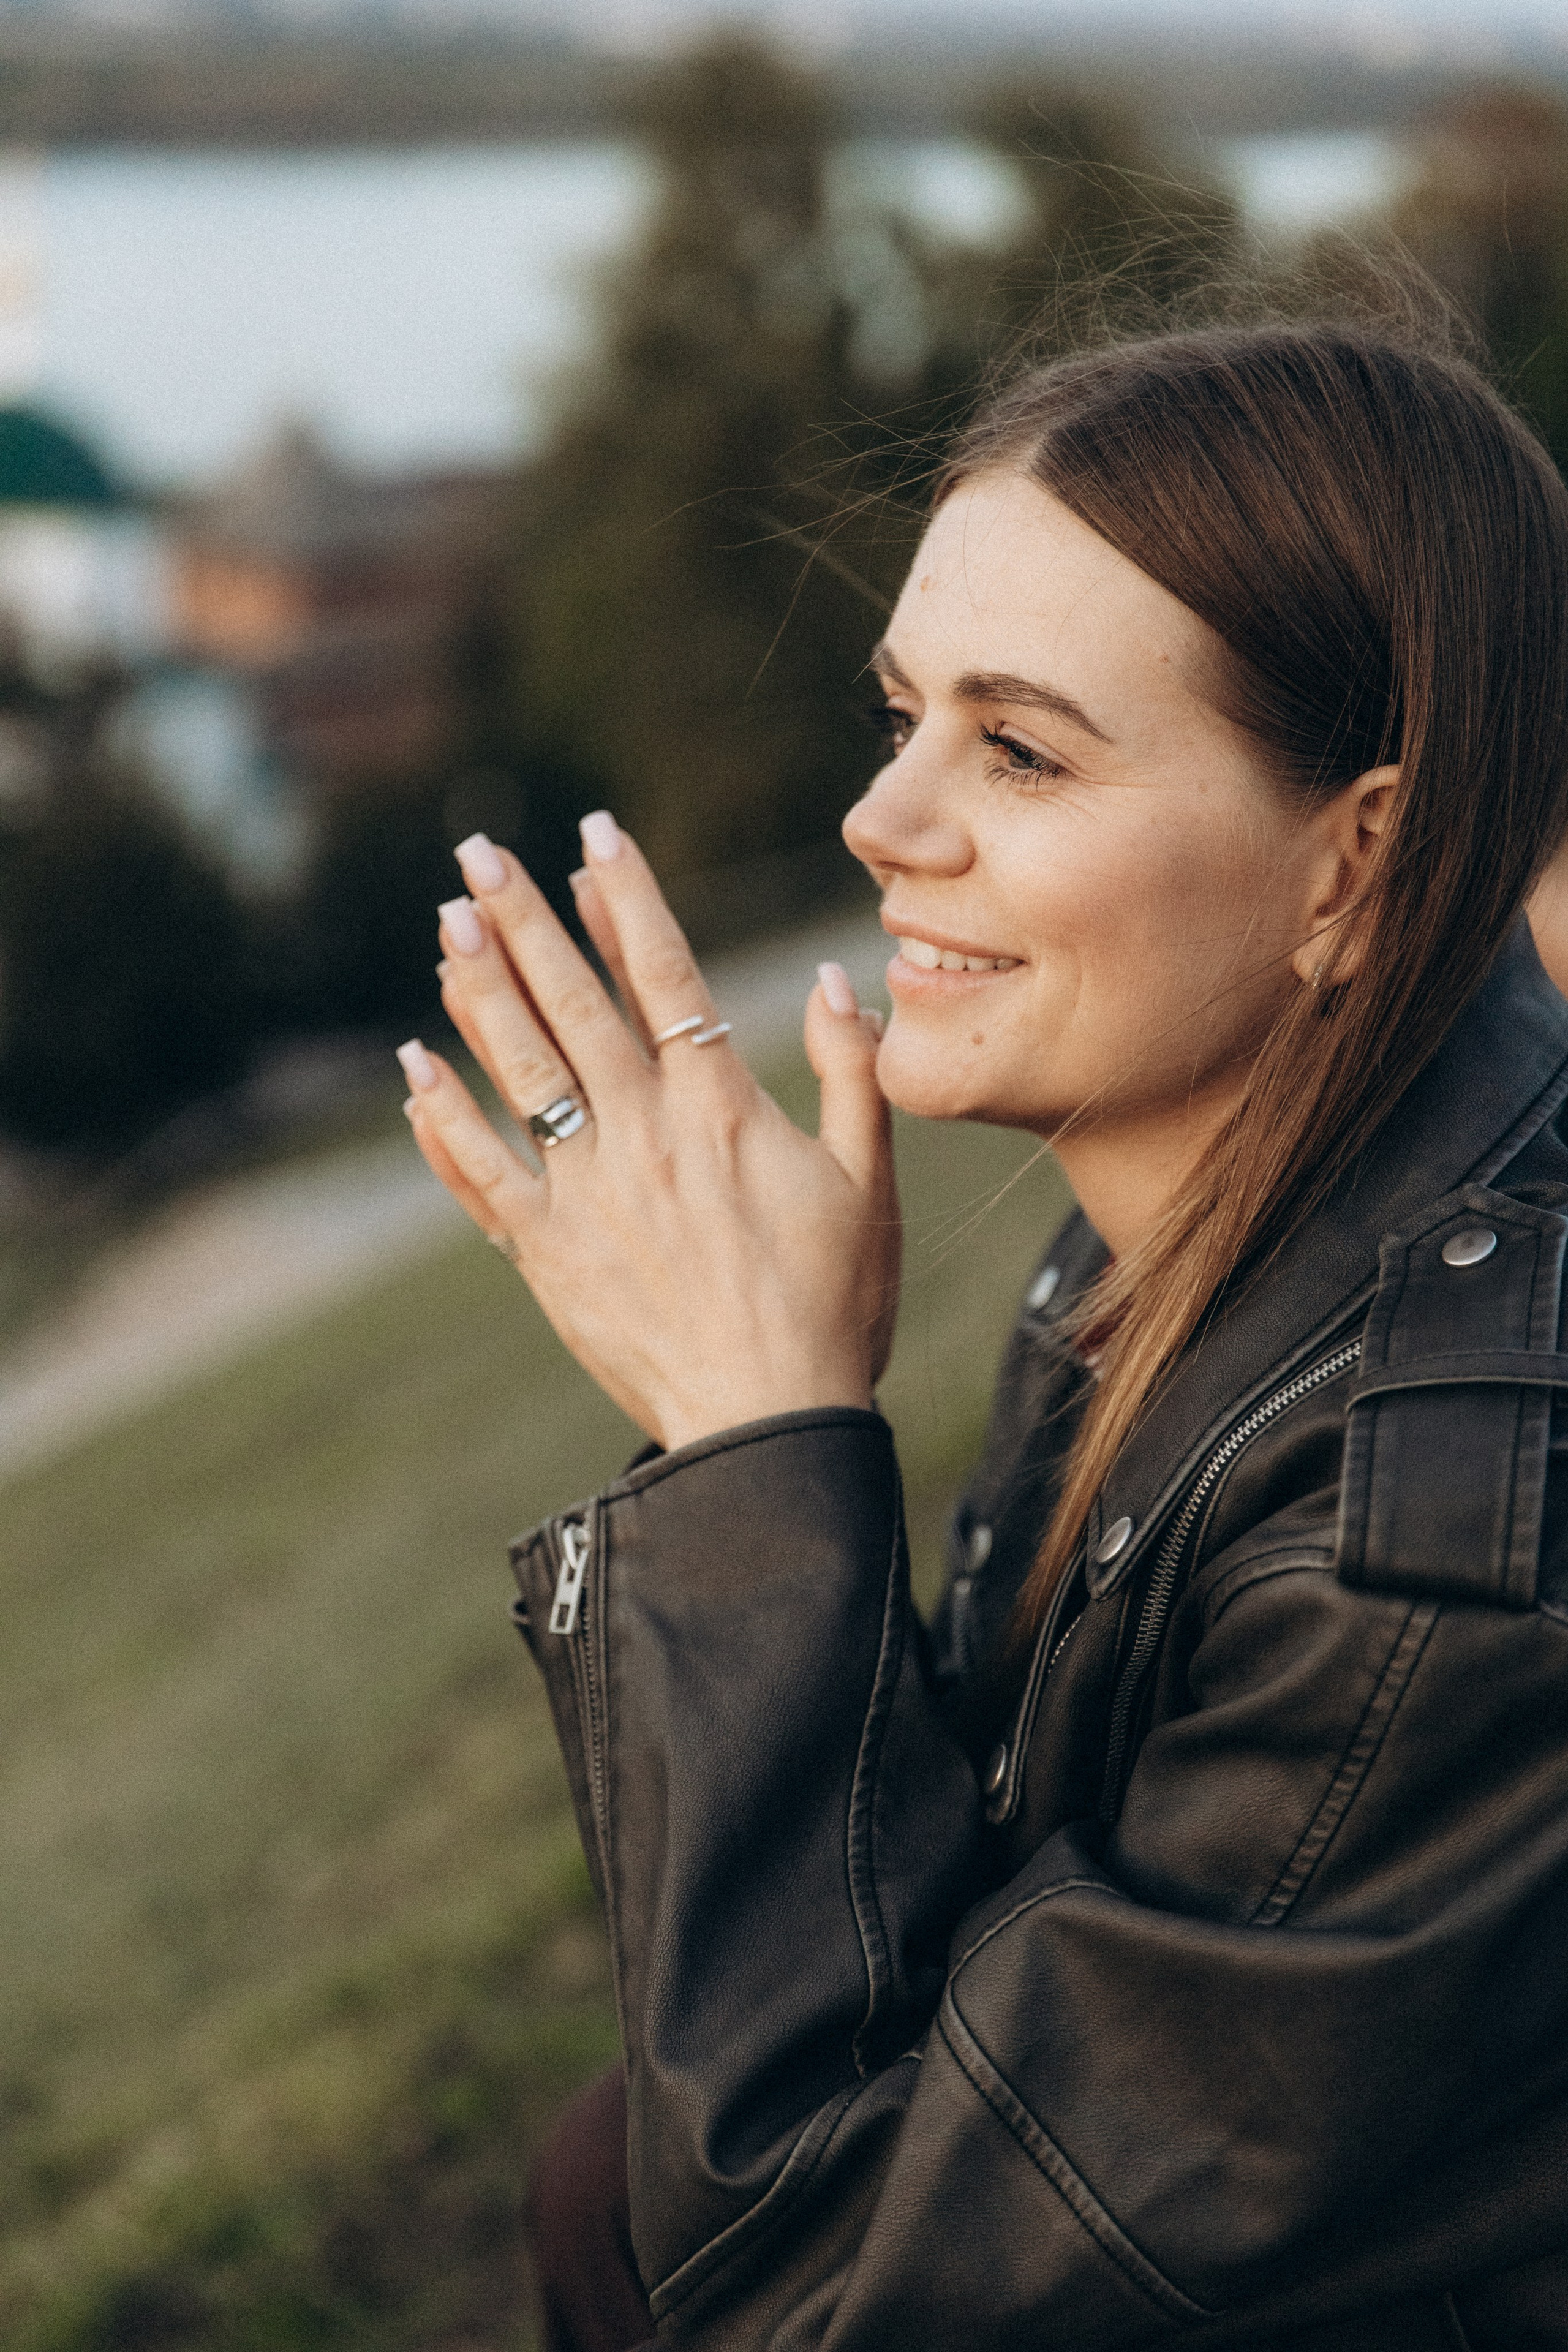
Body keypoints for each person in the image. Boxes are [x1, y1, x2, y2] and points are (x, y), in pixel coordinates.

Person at [399, 312, 1568, 2350]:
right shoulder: (1190, 1225)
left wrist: (753, 1445)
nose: (880, 814)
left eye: (1018, 748)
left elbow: (832, 2305)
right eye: (904, 710)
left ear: (1356, 858)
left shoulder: (1449, 1561)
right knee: (601, 2172)